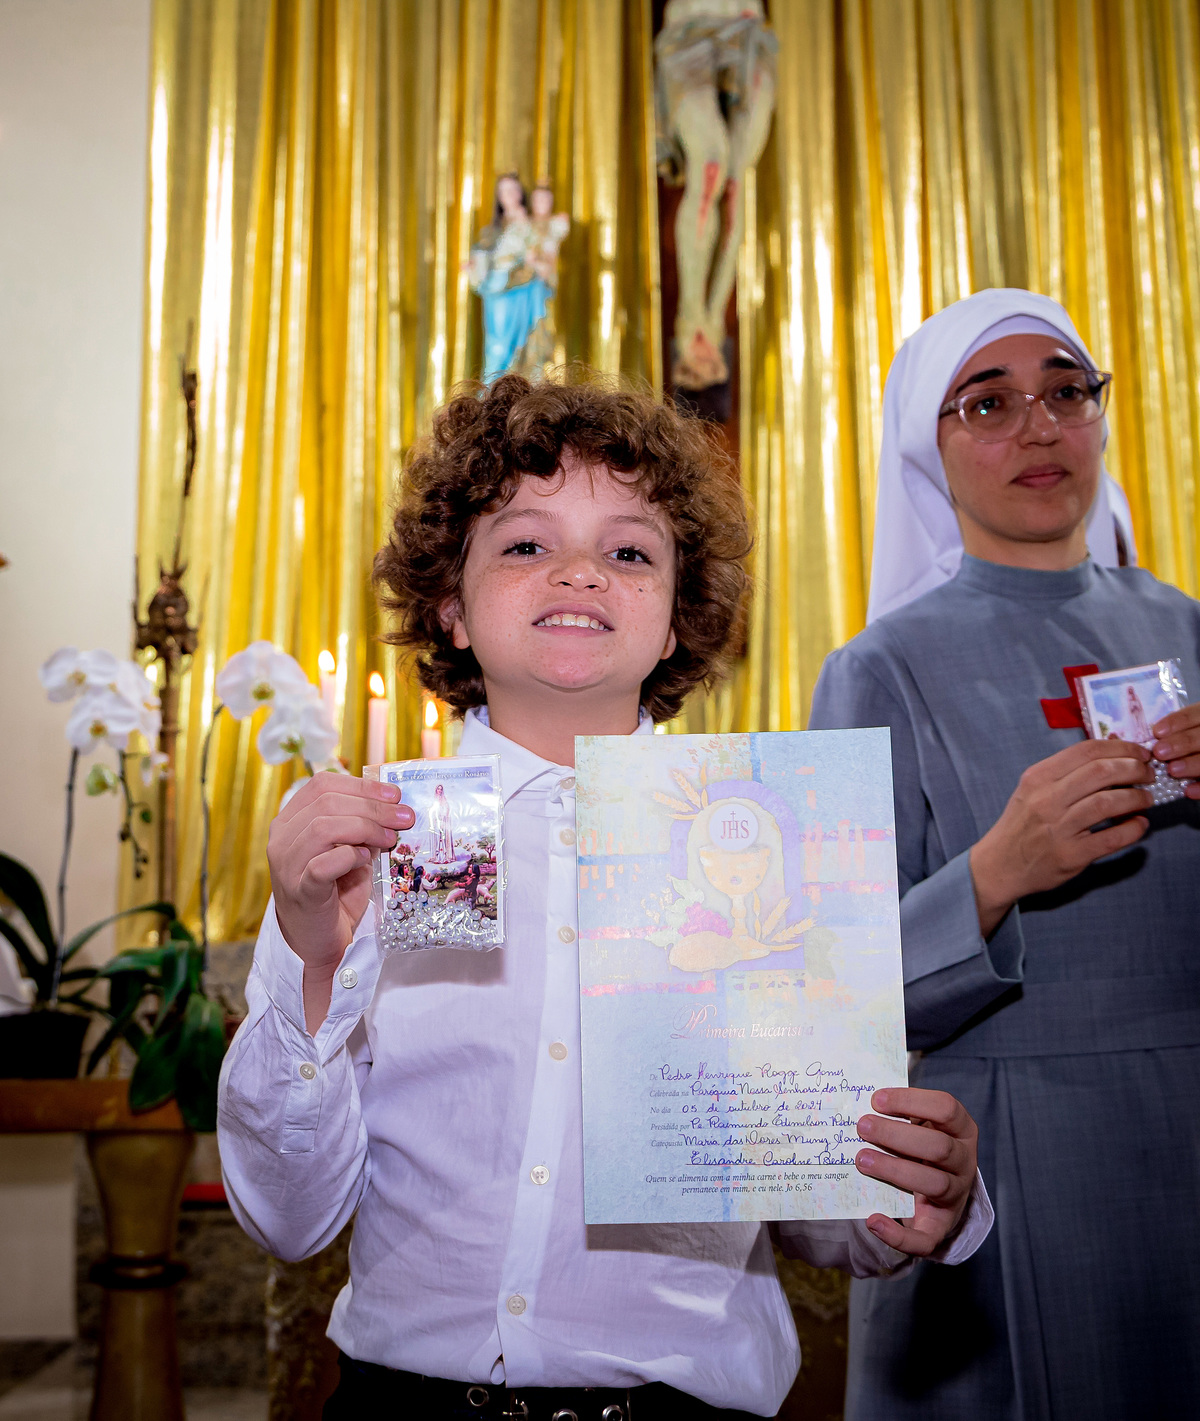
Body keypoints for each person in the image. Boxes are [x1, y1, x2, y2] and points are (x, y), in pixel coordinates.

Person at [218, 373, 992, 1420]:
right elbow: (289, 1220)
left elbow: (821, 1214)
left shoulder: (771, 845)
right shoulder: (367, 854)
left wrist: (911, 1192)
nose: (580, 569)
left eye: (629, 550)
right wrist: (315, 964)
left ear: (677, 617)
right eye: (526, 543)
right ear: (450, 598)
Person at [808, 287, 1200, 1420]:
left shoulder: (1185, 626)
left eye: (1066, 390)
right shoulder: (879, 668)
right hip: (1002, 1158)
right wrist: (995, 871)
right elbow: (822, 992)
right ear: (924, 450)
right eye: (988, 403)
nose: (1039, 426)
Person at [468, 174, 555, 382]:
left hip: (523, 291)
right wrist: (476, 266)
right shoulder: (491, 231)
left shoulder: (531, 226)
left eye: (514, 190)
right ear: (498, 197)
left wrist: (532, 262)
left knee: (523, 345)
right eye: (505, 191)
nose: (510, 195)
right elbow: (482, 257)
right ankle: (493, 393)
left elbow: (544, 260)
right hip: (497, 294)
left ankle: (519, 391)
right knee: (497, 347)